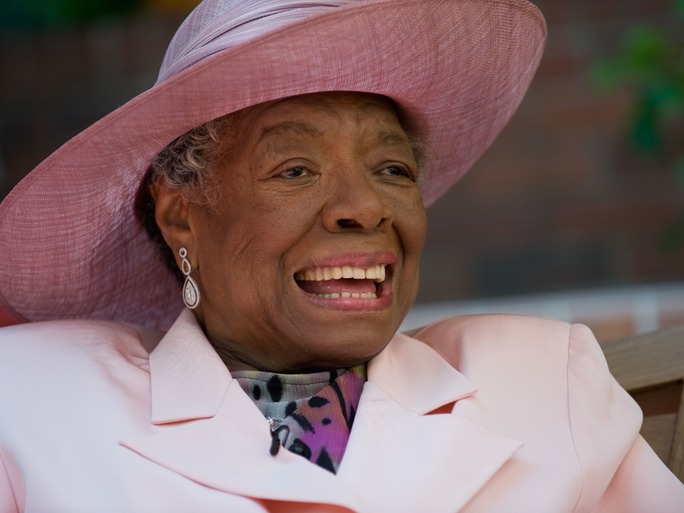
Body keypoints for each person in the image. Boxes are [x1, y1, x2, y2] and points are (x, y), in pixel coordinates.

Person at [0, 0, 682, 511]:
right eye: (295, 169)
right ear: (180, 213)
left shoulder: (544, 379)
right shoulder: (29, 399)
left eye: (392, 169)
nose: (365, 206)